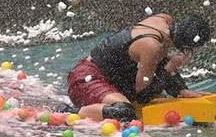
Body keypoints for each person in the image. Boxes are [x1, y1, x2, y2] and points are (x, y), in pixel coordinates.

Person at [66, 12, 211, 121]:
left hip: (109, 78)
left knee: (155, 93)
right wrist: (172, 65)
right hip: (85, 80)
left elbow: (160, 63)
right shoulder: (152, 46)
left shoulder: (164, 19)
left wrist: (181, 90)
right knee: (125, 112)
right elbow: (143, 96)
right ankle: (68, 112)